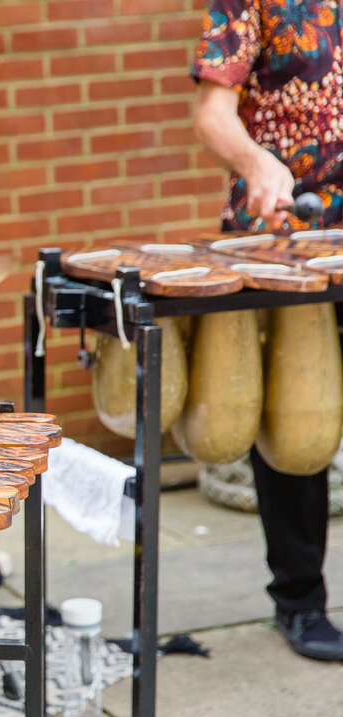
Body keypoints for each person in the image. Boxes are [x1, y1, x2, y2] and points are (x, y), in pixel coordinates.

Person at [192, 1, 343, 661]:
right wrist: (257, 166)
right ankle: (301, 601)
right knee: (291, 427)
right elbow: (213, 113)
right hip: (284, 240)